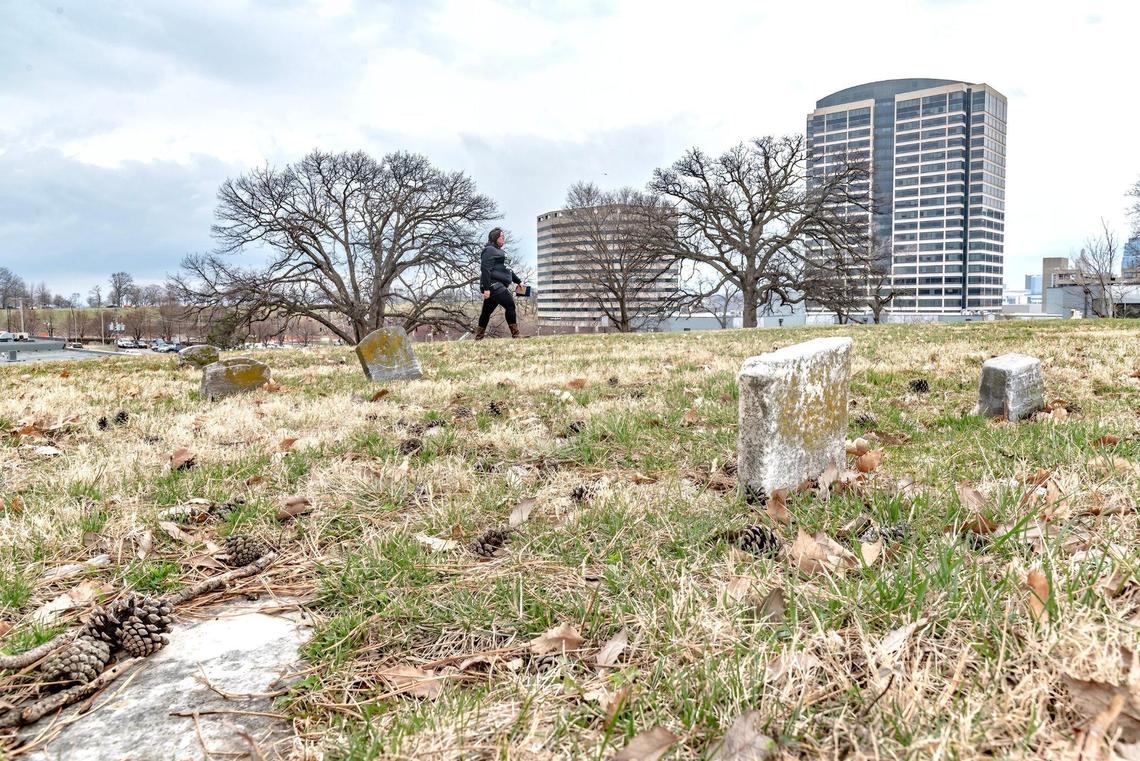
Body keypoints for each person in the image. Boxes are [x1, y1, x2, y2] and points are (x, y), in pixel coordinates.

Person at [476, 227, 528, 340]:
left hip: (499, 286)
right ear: (494, 238)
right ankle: (516, 335)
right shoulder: (488, 250)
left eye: (504, 237)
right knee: (510, 305)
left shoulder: (501, 252)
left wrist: (518, 282)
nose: (503, 239)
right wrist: (486, 289)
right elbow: (485, 269)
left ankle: (478, 338)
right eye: (501, 237)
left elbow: (508, 269)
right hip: (493, 285)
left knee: (486, 312)